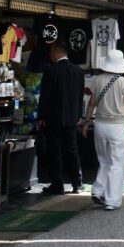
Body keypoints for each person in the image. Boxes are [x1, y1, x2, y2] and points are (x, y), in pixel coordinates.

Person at [81, 49, 124, 210]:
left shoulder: (97, 80)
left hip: (100, 125)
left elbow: (91, 104)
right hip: (117, 126)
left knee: (104, 160)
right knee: (118, 163)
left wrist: (86, 123)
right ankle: (112, 200)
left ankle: (98, 190)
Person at [38, 41, 85, 195]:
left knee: (55, 150)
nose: (50, 56)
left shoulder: (51, 71)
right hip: (72, 117)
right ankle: (77, 183)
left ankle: (57, 185)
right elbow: (80, 96)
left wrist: (41, 116)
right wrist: (79, 115)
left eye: (51, 53)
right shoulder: (78, 71)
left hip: (53, 117)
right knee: (72, 148)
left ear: (57, 52)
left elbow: (45, 96)